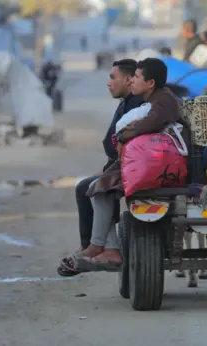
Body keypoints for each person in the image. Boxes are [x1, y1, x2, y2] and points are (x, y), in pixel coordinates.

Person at [75, 58, 186, 272]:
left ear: (150, 82)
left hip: (156, 165)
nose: (133, 81)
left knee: (99, 189)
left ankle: (100, 246)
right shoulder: (150, 98)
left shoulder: (162, 100)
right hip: (146, 162)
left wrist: (125, 134)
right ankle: (102, 246)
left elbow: (150, 124)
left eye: (136, 77)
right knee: (97, 189)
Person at [57, 59, 144, 276]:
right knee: (85, 186)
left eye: (112, 77)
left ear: (128, 79)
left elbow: (129, 145)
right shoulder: (126, 102)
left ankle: (97, 248)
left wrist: (110, 171)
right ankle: (95, 247)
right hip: (118, 166)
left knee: (96, 188)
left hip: (132, 168)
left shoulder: (137, 104)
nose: (108, 83)